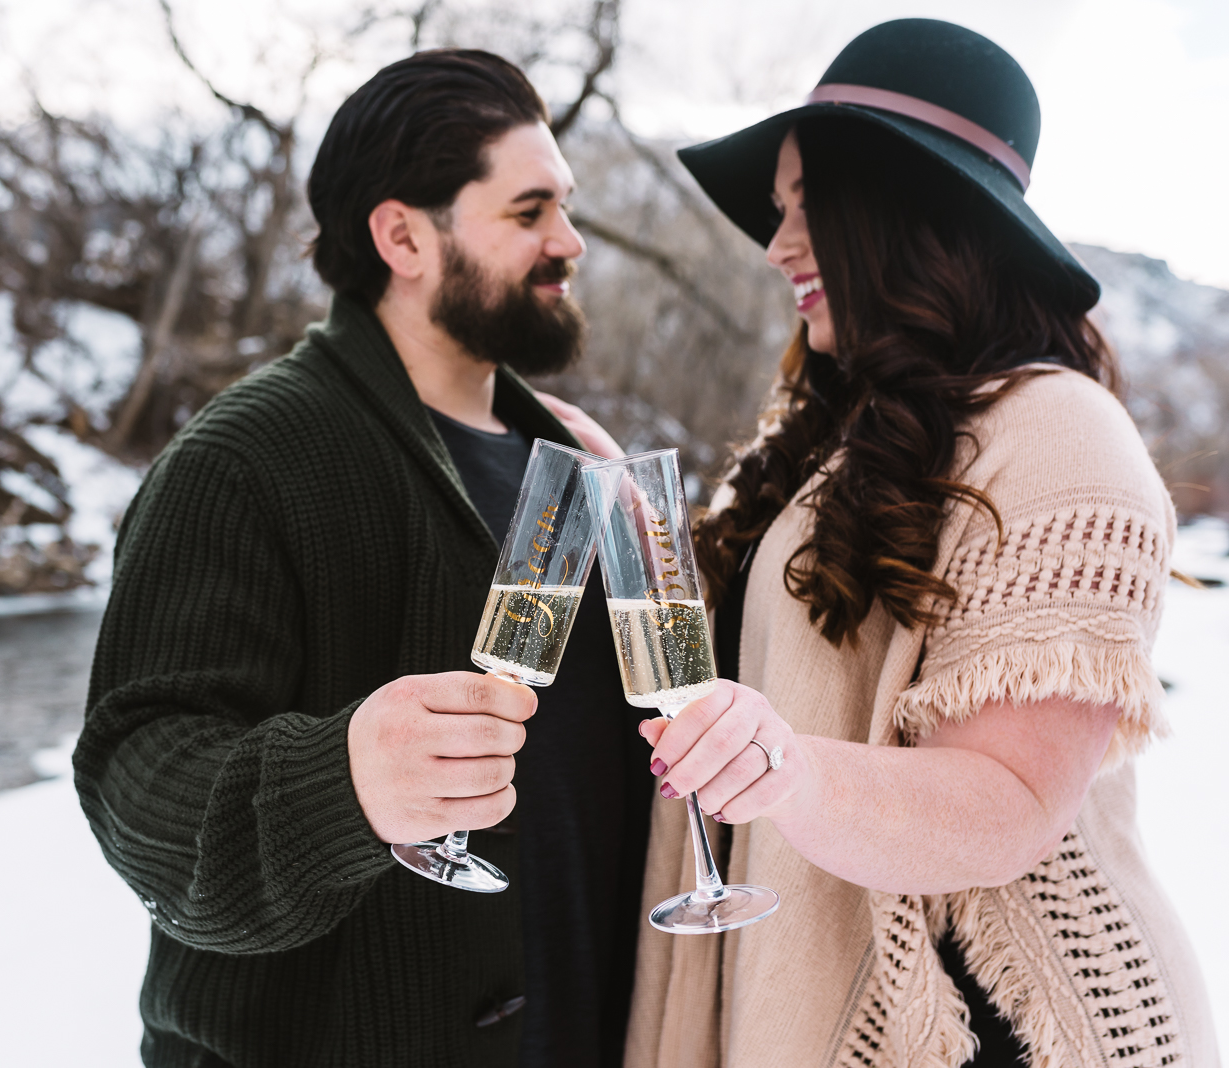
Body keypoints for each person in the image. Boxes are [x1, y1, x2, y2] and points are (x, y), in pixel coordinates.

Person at [616, 19, 1219, 1068]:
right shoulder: (842, 439)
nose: (778, 246)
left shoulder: (1057, 430)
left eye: (807, 205)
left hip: (987, 1024)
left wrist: (787, 772)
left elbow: (1010, 801)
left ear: (900, 209)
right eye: (779, 212)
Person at [73, 49, 651, 1068]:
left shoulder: (571, 473)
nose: (567, 242)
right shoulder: (243, 457)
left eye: (563, 207)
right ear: (402, 236)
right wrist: (341, 781)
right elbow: (137, 782)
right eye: (527, 213)